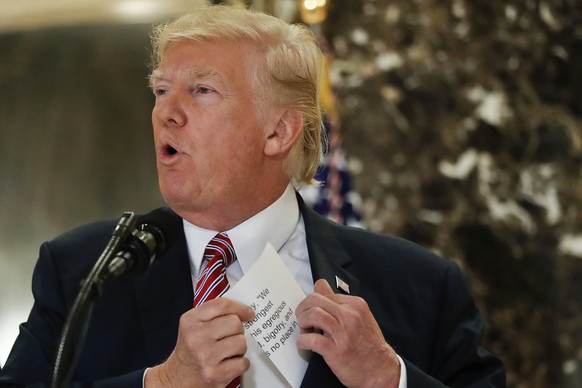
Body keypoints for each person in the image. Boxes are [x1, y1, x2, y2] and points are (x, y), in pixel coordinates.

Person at [0, 4, 505, 387]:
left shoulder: (419, 286)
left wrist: (387, 378)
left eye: (201, 91)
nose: (165, 113)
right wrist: (161, 384)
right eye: (160, 91)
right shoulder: (82, 273)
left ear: (278, 132)